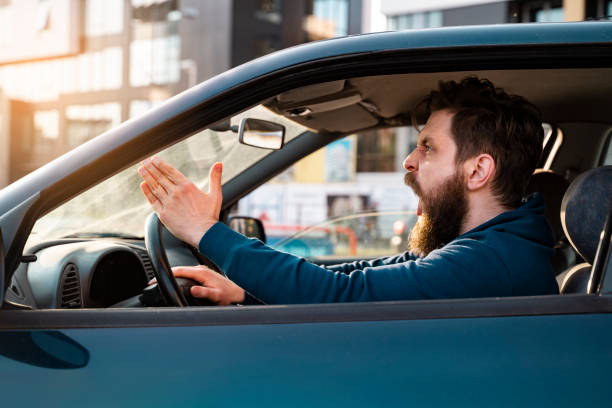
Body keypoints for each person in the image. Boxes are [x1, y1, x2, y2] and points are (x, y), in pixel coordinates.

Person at [138, 77, 559, 305]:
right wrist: (243, 292)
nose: (409, 161)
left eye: (428, 147)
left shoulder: (493, 262)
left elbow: (346, 295)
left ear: (478, 170)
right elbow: (360, 274)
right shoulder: (488, 247)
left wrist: (205, 231)